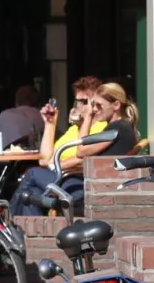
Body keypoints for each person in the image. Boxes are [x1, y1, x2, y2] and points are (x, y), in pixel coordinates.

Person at [11, 80, 139, 217]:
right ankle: (27, 234)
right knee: (32, 195)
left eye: (99, 106)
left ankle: (7, 220)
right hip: (88, 182)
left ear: (116, 105)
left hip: (90, 187)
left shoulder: (118, 129)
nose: (94, 109)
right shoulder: (114, 128)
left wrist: (88, 116)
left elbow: (81, 150)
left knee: (31, 175)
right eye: (93, 105)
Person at [0, 85, 45, 150]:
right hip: (39, 158)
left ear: (16, 100)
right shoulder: (44, 116)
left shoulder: (5, 115)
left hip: (8, 158)